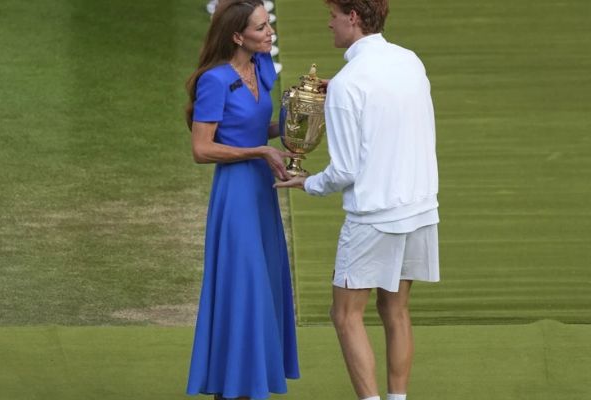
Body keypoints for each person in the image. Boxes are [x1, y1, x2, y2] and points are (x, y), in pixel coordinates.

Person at [274, 1, 439, 399]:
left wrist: (308, 183)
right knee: (394, 310)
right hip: (420, 209)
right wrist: (340, 90)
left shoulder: (349, 85)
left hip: (373, 217)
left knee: (345, 315)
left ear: (352, 18)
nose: (328, 23)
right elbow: (386, 103)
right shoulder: (409, 61)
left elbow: (345, 171)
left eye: (332, 15)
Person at [185, 1, 300, 399]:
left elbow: (255, 127)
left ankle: (246, 385)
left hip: (261, 193)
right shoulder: (214, 81)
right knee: (243, 286)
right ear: (237, 36)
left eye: (268, 26)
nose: (270, 33)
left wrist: (301, 122)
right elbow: (202, 148)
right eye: (260, 28)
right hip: (235, 195)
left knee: (262, 285)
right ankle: (230, 388)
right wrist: (259, 152)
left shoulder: (263, 68)